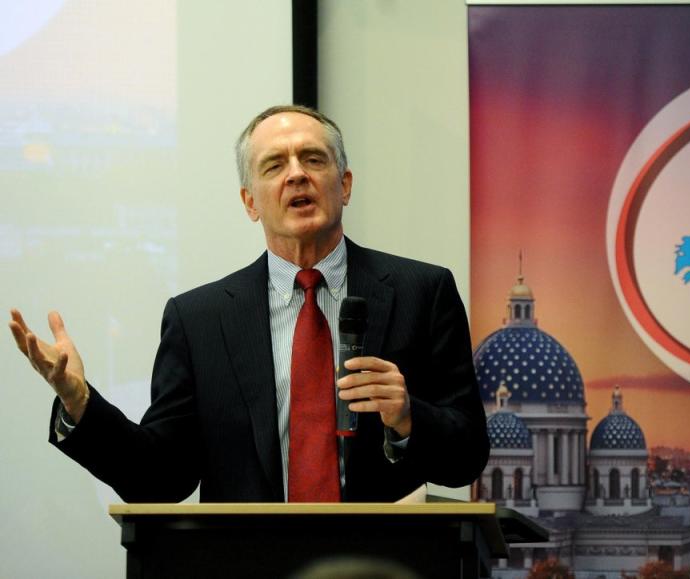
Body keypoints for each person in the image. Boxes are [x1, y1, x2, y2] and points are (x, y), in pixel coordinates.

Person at [8, 105, 489, 502]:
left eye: (313, 160)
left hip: (386, 565)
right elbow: (159, 479)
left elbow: (468, 454)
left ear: (344, 184)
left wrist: (408, 416)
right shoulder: (199, 320)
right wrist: (80, 402)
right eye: (275, 165)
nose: (297, 174)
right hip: (246, 562)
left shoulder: (421, 293)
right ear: (250, 201)